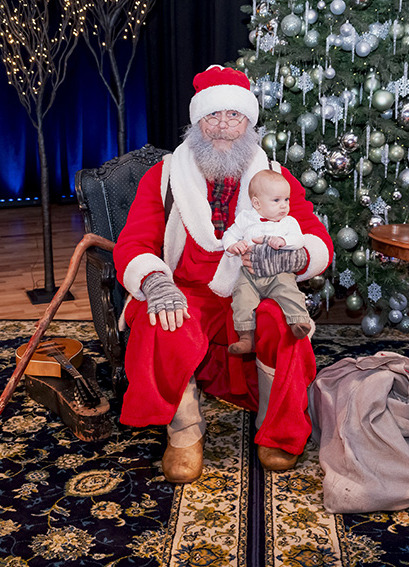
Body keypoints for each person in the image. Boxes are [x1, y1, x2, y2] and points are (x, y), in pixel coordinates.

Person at [113, 65, 333, 483]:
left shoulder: (274, 177)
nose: (223, 126)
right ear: (197, 122)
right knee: (163, 318)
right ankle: (184, 433)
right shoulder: (164, 176)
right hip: (186, 289)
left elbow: (316, 238)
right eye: (212, 115)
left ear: (249, 123)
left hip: (252, 287)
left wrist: (291, 260)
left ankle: (276, 430)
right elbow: (134, 242)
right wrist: (155, 281)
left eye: (234, 115)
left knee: (284, 322)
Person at [221, 169, 312, 355]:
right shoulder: (246, 218)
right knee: (241, 296)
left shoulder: (288, 222)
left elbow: (299, 240)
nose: (284, 205)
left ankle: (298, 321)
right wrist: (232, 245)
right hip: (250, 274)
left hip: (278, 273)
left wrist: (284, 241)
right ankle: (245, 337)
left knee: (289, 290)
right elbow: (229, 234)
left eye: (286, 199)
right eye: (276, 200)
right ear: (256, 203)